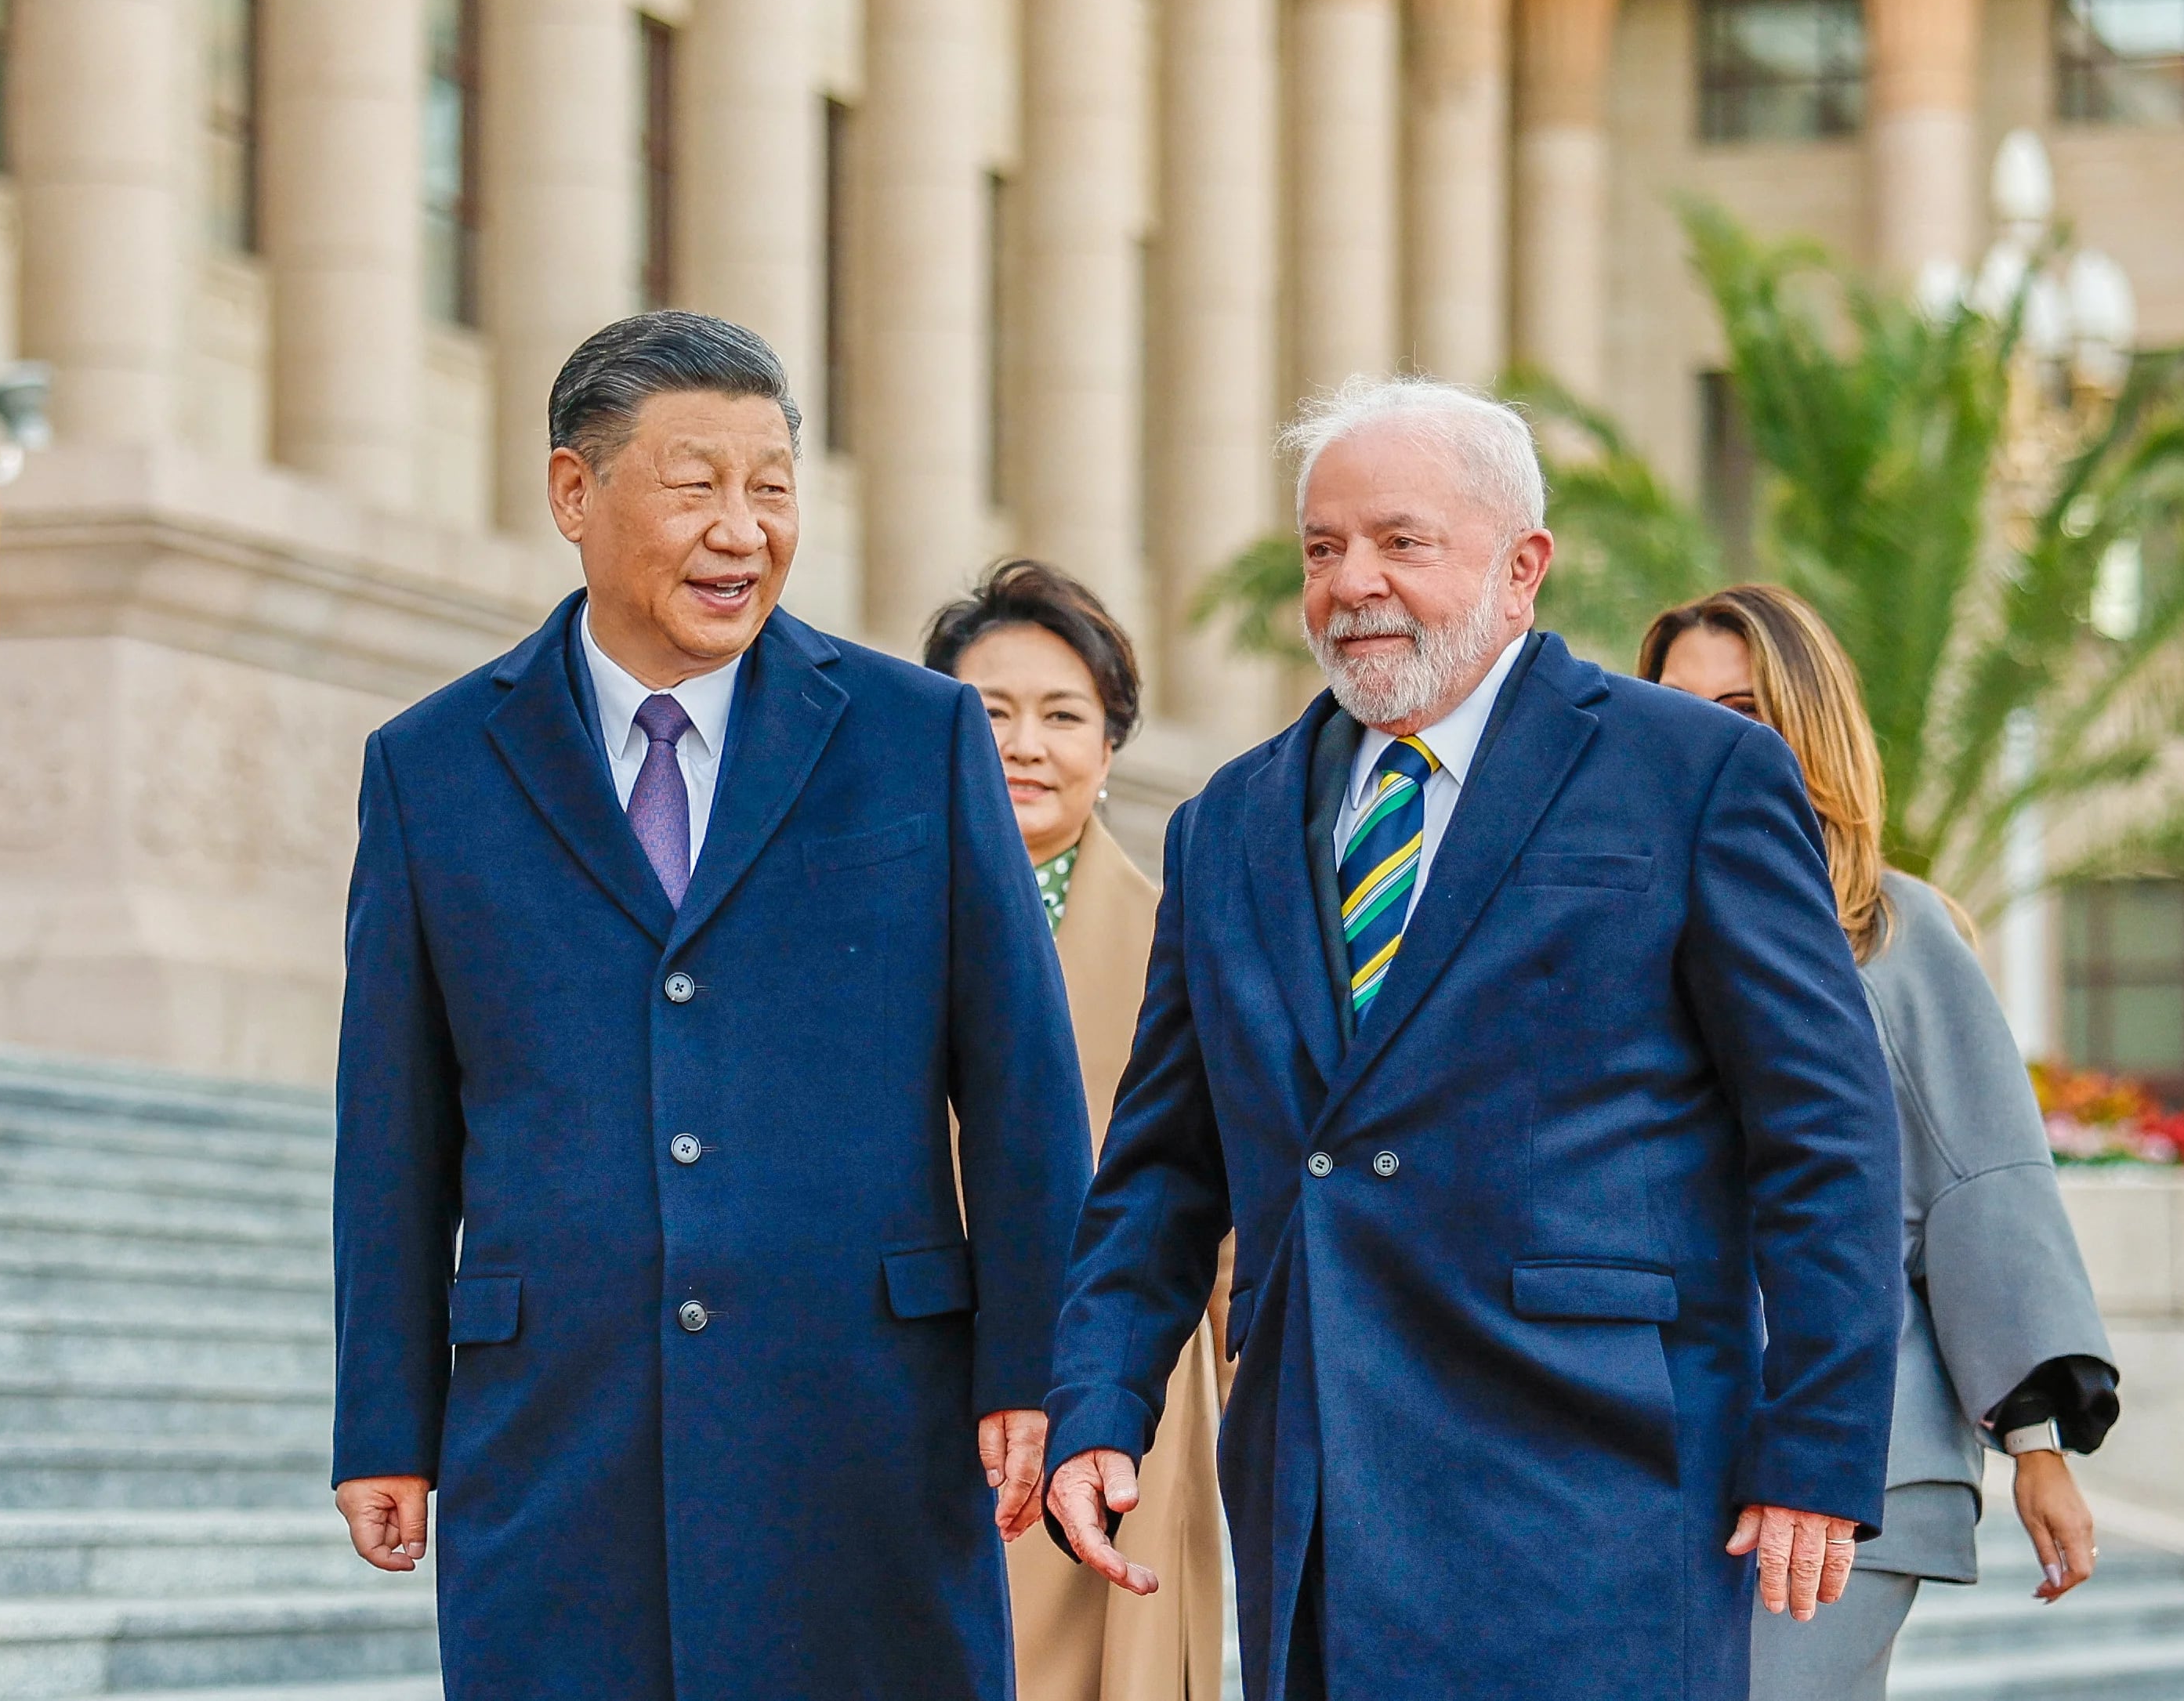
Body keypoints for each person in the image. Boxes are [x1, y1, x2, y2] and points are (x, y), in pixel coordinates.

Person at [1043, 375, 1903, 1701]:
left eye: (1401, 541)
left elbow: (1823, 1134)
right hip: (1318, 1489)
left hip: (1596, 1490)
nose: (1352, 582)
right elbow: (1162, 1161)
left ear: (1521, 569)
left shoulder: (1691, 774)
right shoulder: (1224, 824)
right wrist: (1100, 1404)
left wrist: (1817, 1447)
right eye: (1321, 549)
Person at [329, 311, 1092, 1698]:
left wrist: (1035, 1367)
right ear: (574, 493)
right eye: (694, 487)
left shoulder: (913, 736)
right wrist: (384, 1419)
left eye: (771, 488)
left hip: (864, 1419)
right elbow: (392, 1128)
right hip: (555, 1435)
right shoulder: (429, 767)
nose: (741, 530)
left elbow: (1022, 1085)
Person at [1642, 584, 2121, 1701]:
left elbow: (1983, 1191)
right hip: (1666, 1452)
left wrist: (2035, 1445)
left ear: (1807, 725)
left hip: (1859, 1453)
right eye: (1674, 708)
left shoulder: (1893, 934)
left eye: (1743, 707)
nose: (1707, 737)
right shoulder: (1630, 929)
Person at [925, 560, 1230, 1701]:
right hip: (918, 1386)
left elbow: (1224, 1198)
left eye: (1062, 715)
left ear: (1108, 750)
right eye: (988, 712)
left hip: (1113, 1401)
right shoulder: (856, 931)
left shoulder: (1178, 934)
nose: (1024, 743)